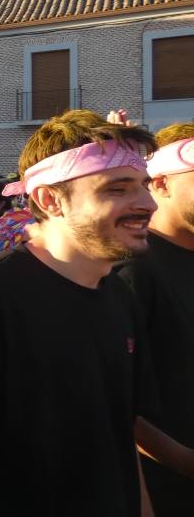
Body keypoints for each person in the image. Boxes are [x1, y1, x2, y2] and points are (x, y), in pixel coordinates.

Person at [0, 111, 160, 516]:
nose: (147, 203)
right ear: (49, 200)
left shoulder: (119, 292)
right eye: (118, 189)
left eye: (144, 187)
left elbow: (121, 434)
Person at [119, 126, 194, 515]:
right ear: (161, 183)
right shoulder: (132, 269)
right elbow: (116, 397)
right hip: (166, 488)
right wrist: (184, 461)